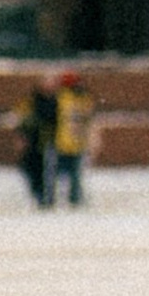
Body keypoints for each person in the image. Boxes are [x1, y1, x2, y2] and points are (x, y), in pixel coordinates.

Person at [52, 68, 92, 205]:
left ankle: (61, 197)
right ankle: (73, 198)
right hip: (71, 141)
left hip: (65, 140)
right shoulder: (80, 98)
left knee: (64, 173)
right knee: (73, 173)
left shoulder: (61, 98)